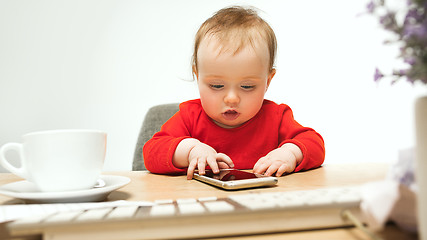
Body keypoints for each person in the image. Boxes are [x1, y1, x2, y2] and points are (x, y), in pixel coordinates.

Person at [143, 6, 325, 179]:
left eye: (247, 86)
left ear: (268, 81)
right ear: (197, 76)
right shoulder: (189, 118)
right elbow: (151, 152)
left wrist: (290, 154)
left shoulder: (276, 117)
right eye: (216, 85)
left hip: (261, 204)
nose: (232, 98)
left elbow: (315, 144)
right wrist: (190, 150)